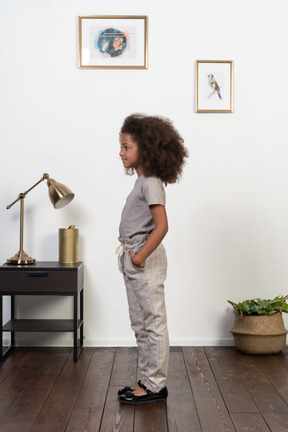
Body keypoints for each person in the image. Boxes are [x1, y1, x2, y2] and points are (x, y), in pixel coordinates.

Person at [116, 113, 188, 405]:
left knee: (152, 321)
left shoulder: (151, 183)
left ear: (144, 149)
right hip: (135, 257)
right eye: (121, 147)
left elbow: (162, 226)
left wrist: (139, 258)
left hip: (143, 259)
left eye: (126, 147)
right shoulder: (143, 181)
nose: (120, 152)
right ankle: (148, 380)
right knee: (141, 322)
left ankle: (155, 385)